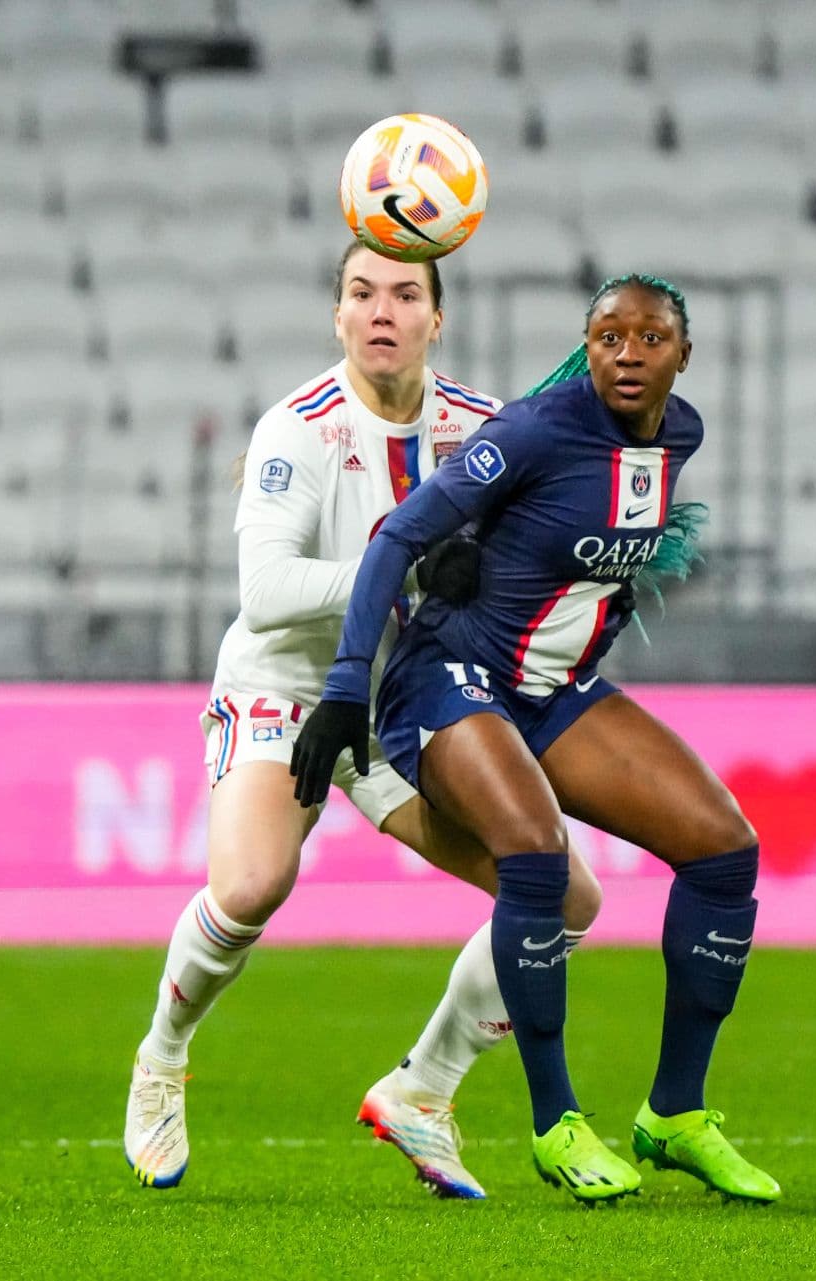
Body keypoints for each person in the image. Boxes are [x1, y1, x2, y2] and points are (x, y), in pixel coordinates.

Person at [123, 242, 604, 1199]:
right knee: (255, 883)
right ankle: (163, 1054)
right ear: (337, 317)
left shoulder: (479, 428)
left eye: (404, 294)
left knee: (561, 898)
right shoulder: (297, 430)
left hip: (406, 698)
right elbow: (264, 593)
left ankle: (424, 1089)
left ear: (437, 319)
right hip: (288, 688)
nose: (381, 310)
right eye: (360, 293)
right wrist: (415, 566)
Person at [291, 274, 781, 1206]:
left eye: (649, 338)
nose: (628, 354)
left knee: (725, 850)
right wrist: (349, 681)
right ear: (586, 346)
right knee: (537, 859)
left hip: (554, 690)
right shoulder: (534, 429)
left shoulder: (682, 435)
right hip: (449, 675)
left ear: (686, 353)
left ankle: (675, 1113)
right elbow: (398, 536)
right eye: (608, 336)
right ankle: (555, 1121)